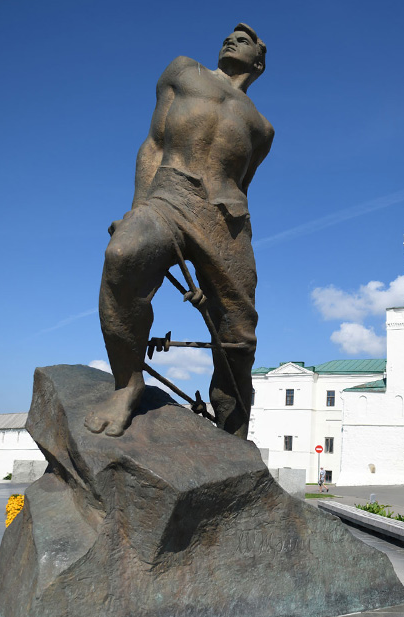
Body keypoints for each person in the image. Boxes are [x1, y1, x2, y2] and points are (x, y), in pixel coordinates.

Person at [85, 23, 274, 440]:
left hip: (227, 220)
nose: (230, 40)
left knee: (239, 339)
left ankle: (233, 430)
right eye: (230, 36)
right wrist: (138, 210)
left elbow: (244, 181)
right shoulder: (186, 71)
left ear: (258, 61)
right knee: (123, 255)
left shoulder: (262, 127)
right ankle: (127, 384)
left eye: (243, 40)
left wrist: (222, 256)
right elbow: (153, 143)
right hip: (169, 193)